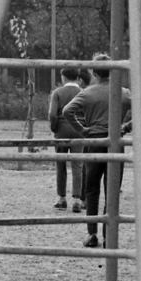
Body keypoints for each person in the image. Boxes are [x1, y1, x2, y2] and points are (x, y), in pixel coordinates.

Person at [60, 55, 131, 248]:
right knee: (112, 190)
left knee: (91, 189)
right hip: (116, 142)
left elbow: (67, 111)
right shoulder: (123, 92)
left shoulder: (87, 92)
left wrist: (82, 129)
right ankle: (109, 236)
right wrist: (125, 127)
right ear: (113, 71)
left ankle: (92, 234)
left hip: (94, 140)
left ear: (93, 72)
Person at [47, 67, 86, 212]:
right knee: (78, 165)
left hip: (62, 131)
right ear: (78, 77)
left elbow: (52, 114)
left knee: (61, 164)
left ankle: (62, 198)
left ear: (63, 77)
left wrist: (54, 127)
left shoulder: (57, 93)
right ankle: (77, 199)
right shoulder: (83, 92)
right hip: (79, 130)